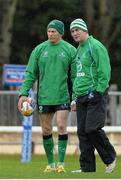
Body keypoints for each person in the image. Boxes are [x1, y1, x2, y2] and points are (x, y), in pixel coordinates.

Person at [18, 19, 76, 173]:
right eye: (49, 31)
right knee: (46, 130)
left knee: (62, 126)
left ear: (61, 33)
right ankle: (50, 164)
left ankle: (61, 163)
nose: (50, 34)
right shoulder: (39, 50)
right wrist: (23, 94)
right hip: (44, 97)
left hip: (63, 95)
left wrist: (76, 96)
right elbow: (30, 73)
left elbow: (76, 76)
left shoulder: (70, 50)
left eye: (53, 31)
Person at [70, 18, 116, 173]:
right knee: (82, 132)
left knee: (92, 128)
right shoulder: (79, 49)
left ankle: (110, 158)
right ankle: (87, 168)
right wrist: (75, 98)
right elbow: (78, 75)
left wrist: (99, 90)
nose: (75, 33)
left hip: (94, 94)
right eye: (72, 31)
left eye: (77, 30)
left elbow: (105, 70)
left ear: (85, 30)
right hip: (81, 96)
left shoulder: (95, 46)